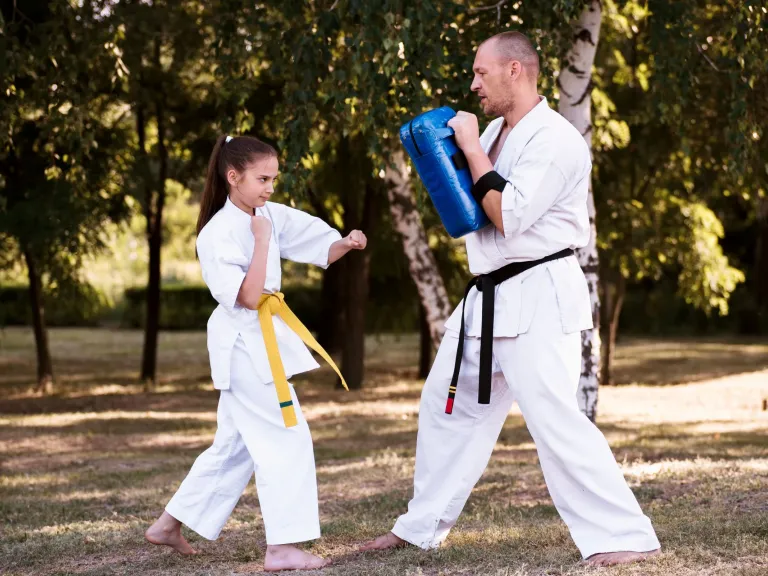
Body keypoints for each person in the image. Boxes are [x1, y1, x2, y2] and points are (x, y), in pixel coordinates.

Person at [360, 31, 660, 568]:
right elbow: (471, 209)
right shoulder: (496, 131)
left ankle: (624, 536)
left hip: (539, 292)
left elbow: (508, 214)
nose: (474, 84)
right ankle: (420, 527)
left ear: (514, 70)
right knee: (446, 407)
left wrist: (471, 148)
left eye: (482, 72)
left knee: (554, 421)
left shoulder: (556, 139)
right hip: (487, 295)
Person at [145, 134, 367, 572]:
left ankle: (169, 524)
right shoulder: (216, 234)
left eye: (273, 179)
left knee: (234, 447)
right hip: (244, 348)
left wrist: (345, 242)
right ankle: (282, 548)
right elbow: (248, 298)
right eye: (263, 179)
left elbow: (312, 239)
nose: (270, 187)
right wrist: (262, 242)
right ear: (234, 177)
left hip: (259, 344)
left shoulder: (268, 214)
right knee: (287, 437)